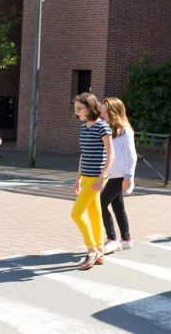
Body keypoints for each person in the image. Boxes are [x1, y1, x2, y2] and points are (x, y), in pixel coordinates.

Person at [71, 92, 115, 270]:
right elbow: (84, 154)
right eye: (75, 109)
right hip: (87, 176)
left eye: (79, 108)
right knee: (95, 213)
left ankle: (91, 251)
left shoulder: (102, 127)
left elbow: (111, 154)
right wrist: (78, 178)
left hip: (97, 177)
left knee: (76, 213)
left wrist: (103, 177)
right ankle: (99, 250)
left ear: (90, 108)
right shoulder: (84, 127)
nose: (77, 112)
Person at [100, 97, 138, 254]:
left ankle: (112, 238)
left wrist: (129, 177)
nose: (102, 114)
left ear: (114, 112)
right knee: (118, 206)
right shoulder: (110, 130)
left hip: (120, 176)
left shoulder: (125, 131)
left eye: (105, 111)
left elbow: (132, 155)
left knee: (100, 204)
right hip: (112, 175)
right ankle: (126, 239)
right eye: (102, 111)